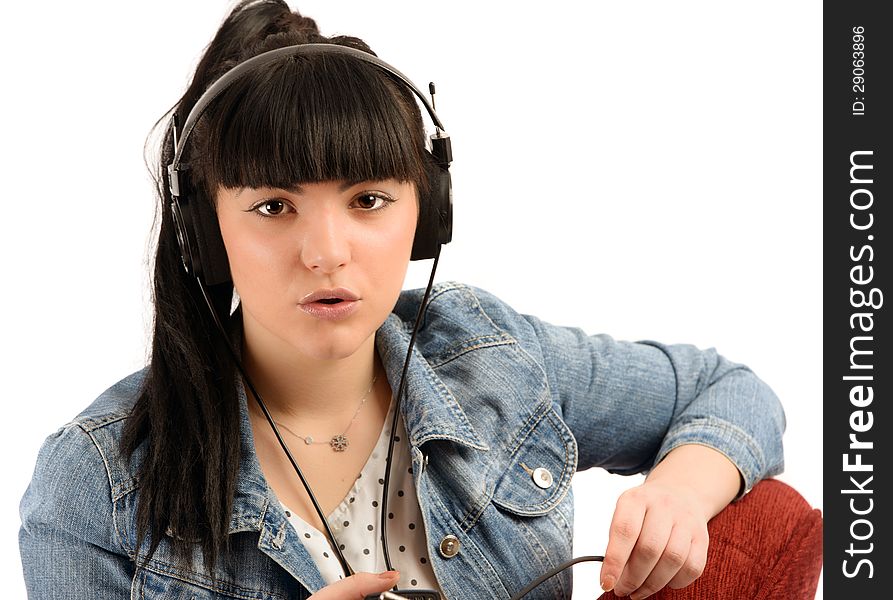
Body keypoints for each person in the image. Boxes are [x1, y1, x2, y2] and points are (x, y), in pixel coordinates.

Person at [18, 1, 787, 599]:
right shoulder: (95, 484)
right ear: (203, 232)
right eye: (273, 207)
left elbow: (730, 393)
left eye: (368, 200)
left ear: (428, 214)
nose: (327, 251)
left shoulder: (491, 359)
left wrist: (680, 490)